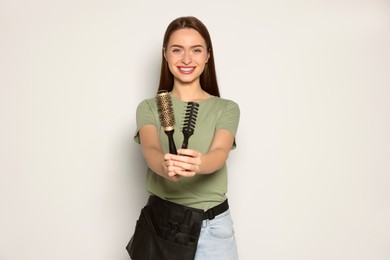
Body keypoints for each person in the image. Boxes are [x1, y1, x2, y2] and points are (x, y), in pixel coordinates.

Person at [127, 16, 240, 260]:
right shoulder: (149, 108)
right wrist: (165, 166)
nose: (187, 59)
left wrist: (198, 163)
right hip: (161, 225)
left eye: (196, 50)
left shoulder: (227, 108)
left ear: (208, 55)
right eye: (177, 50)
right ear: (165, 54)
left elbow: (219, 154)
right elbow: (151, 150)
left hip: (213, 230)